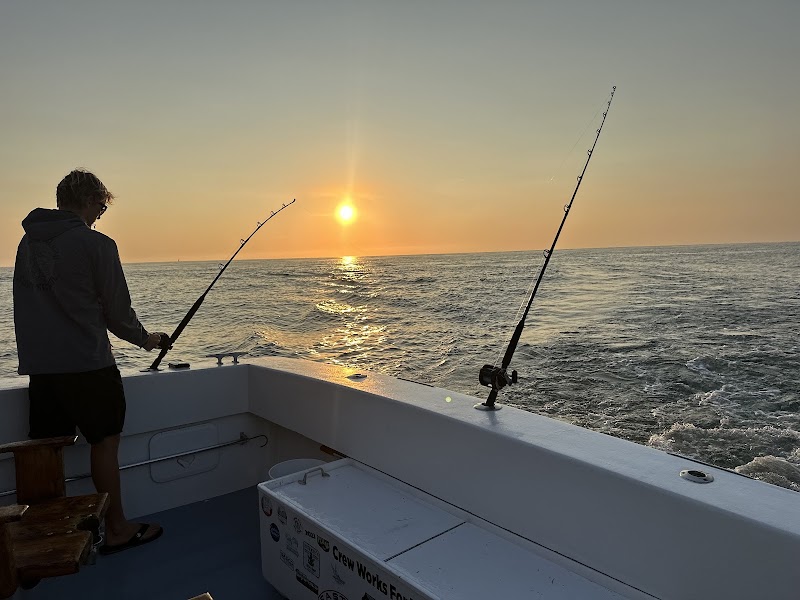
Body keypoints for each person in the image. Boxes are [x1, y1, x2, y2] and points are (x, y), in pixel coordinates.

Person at [13, 168, 166, 555]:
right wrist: (146, 340)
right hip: (88, 366)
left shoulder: (27, 244)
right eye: (101, 204)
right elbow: (117, 314)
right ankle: (115, 529)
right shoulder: (98, 245)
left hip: (43, 371)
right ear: (87, 200)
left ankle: (42, 542)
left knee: (46, 452)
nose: (101, 212)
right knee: (104, 444)